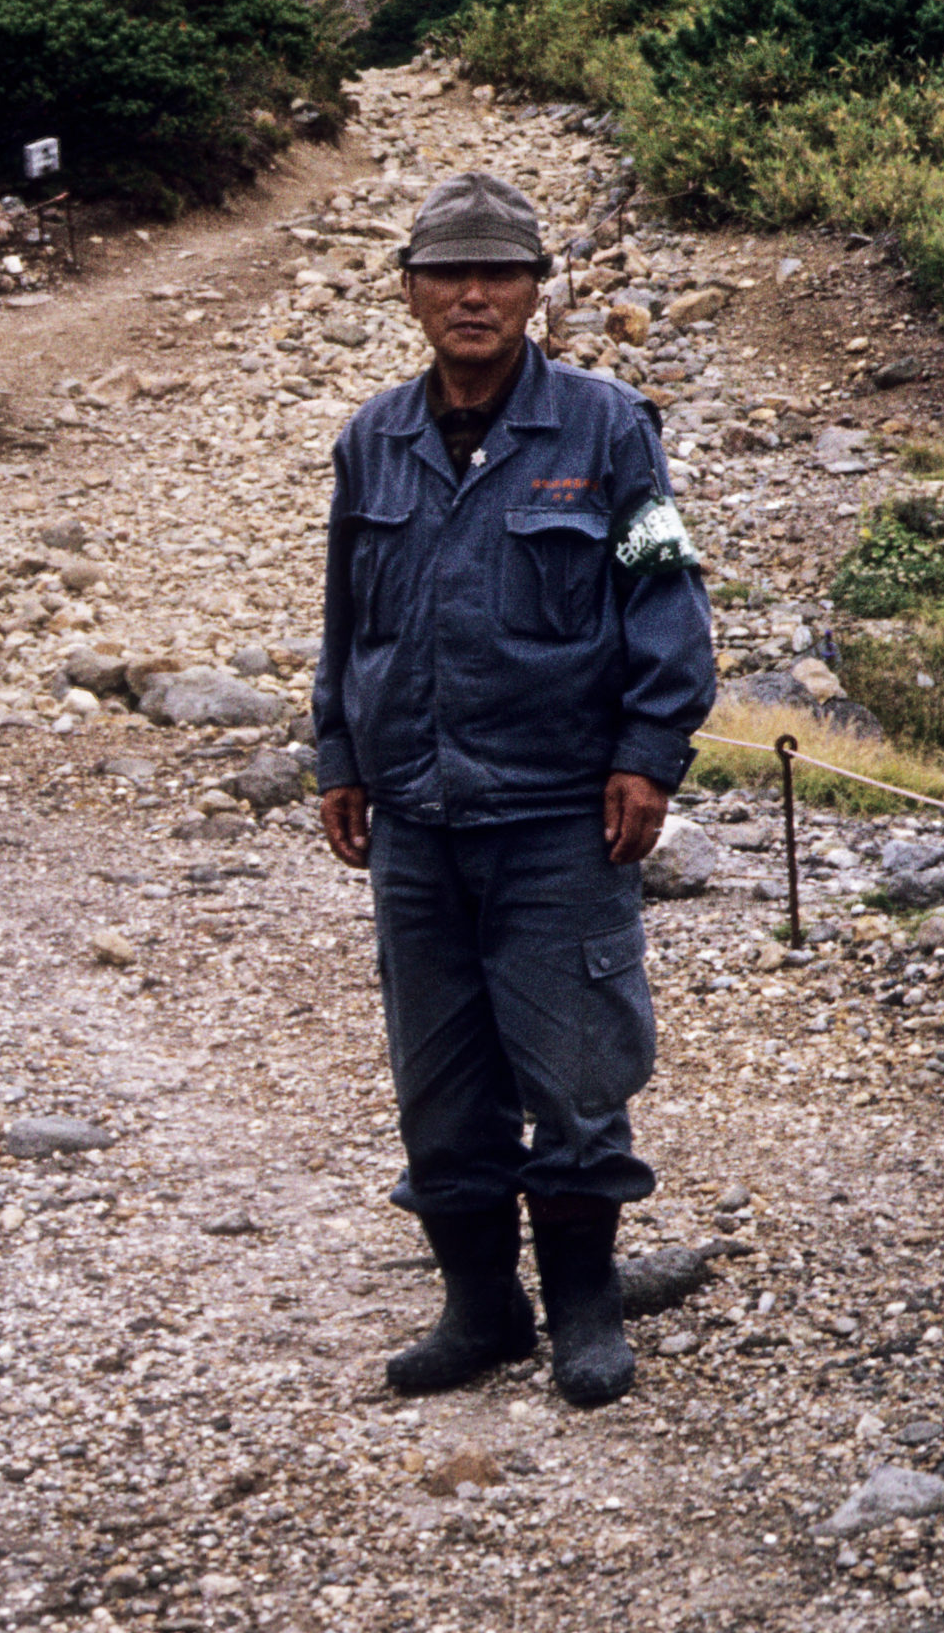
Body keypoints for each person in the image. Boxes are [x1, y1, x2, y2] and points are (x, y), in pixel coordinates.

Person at [313, 170, 715, 1406]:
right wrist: (336, 753)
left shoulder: (608, 430)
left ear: (539, 289)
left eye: (498, 271)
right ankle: (481, 1307)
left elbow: (669, 596)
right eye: (447, 272)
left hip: (557, 815)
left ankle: (587, 1307)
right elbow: (343, 619)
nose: (471, 293)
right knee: (437, 1086)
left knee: (580, 1073)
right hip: (415, 823)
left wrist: (649, 753)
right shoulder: (370, 437)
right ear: (410, 291)